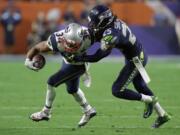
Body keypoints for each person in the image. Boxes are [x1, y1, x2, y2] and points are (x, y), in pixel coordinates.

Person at [72, 5, 171, 128]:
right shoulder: (110, 24)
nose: (92, 24)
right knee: (139, 85)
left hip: (136, 60)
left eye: (95, 21)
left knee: (117, 90)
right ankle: (162, 115)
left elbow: (99, 55)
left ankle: (150, 100)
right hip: (137, 54)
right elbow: (97, 35)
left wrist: (81, 58)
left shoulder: (112, 32)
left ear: (104, 19)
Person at [24, 23, 96, 127]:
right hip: (67, 62)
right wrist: (28, 59)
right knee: (72, 90)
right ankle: (88, 110)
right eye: (70, 44)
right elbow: (37, 48)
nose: (72, 48)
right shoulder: (56, 40)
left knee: (51, 82)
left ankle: (46, 112)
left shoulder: (89, 36)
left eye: (75, 45)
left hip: (80, 65)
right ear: (64, 39)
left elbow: (105, 43)